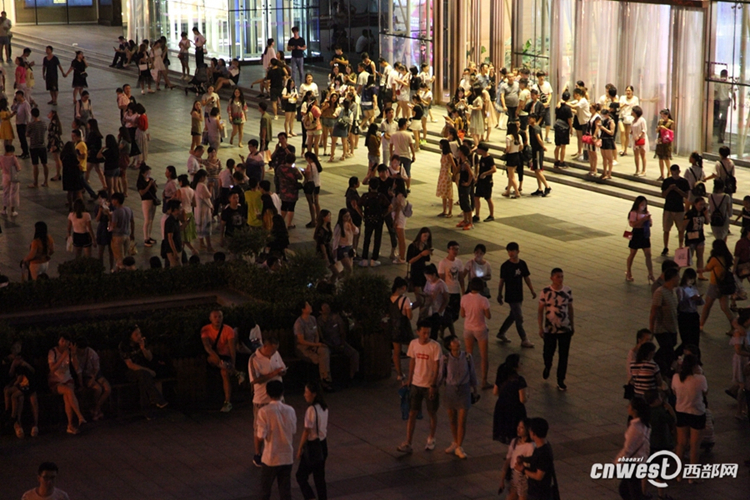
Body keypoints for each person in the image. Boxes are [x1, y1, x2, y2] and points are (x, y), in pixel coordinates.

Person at [397, 319, 443, 454]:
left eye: (428, 333)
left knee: (432, 412)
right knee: (412, 413)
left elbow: (437, 366)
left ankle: (431, 438)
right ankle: (408, 442)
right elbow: (412, 361)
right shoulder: (413, 344)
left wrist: (433, 385)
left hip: (429, 385)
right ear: (418, 332)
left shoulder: (435, 346)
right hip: (416, 384)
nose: (426, 335)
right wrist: (409, 380)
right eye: (423, 333)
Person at [437, 334, 477, 459]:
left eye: (457, 340)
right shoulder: (445, 359)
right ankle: (455, 441)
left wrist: (475, 389)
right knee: (452, 419)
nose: (457, 342)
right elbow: (441, 375)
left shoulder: (467, 357)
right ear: (449, 346)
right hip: (450, 390)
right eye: (454, 341)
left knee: (462, 419)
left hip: (464, 389)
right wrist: (434, 388)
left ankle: (459, 446)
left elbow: (472, 374)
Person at [249, 336, 287, 467]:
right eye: (272, 349)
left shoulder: (276, 354)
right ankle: (258, 454)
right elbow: (255, 380)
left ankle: (274, 451)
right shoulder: (254, 359)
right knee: (259, 428)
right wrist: (273, 373)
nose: (274, 352)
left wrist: (281, 372)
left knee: (278, 425)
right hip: (262, 399)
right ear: (265, 346)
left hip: (277, 398)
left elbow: (281, 367)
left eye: (276, 349)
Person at [256, 380, 297, 500]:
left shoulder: (264, 411)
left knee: (265, 490)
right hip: (287, 455)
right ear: (282, 392)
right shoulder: (290, 410)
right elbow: (293, 430)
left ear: (267, 393)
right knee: (285, 491)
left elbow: (261, 435)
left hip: (271, 457)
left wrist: (258, 449)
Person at [119, 325, 168, 417]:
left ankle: (147, 411)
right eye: (136, 334)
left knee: (143, 380)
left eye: (140, 333)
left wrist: (143, 348)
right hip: (129, 372)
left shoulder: (142, 342)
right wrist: (148, 370)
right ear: (130, 336)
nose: (139, 336)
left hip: (143, 372)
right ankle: (157, 399)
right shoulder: (124, 346)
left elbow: (149, 358)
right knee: (144, 375)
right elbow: (130, 365)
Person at [672, 354, 707, 479]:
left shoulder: (676, 377)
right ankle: (692, 475)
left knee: (681, 443)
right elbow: (705, 392)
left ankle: (678, 473)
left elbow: (674, 391)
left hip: (681, 411)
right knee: (694, 445)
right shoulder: (700, 379)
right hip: (697, 412)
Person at [538, 268, 575, 391]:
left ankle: (561, 380)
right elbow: (540, 310)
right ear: (552, 278)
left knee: (563, 356)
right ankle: (547, 366)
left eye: (562, 277)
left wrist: (572, 324)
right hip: (550, 329)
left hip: (565, 328)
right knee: (548, 352)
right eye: (558, 276)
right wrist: (540, 327)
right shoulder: (545, 291)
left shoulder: (567, 290)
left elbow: (570, 308)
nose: (560, 279)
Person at [497, 242, 537, 347]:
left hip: (519, 294)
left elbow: (526, 277)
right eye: (509, 251)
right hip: (511, 295)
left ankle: (501, 333)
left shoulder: (522, 264)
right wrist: (499, 293)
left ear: (517, 251)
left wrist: (532, 290)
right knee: (519, 317)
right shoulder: (505, 266)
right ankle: (524, 339)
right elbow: (502, 280)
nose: (510, 253)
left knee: (513, 315)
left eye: (512, 251)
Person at [295, 382, 329, 500]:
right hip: (323, 445)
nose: (304, 395)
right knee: (319, 478)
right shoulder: (324, 407)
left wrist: (300, 448)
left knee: (300, 476)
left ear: (314, 394)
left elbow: (307, 430)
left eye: (306, 392)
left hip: (313, 447)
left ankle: (310, 497)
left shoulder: (311, 410)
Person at [48, 334, 86, 434]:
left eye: (66, 341)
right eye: (62, 340)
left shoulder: (69, 352)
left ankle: (70, 425)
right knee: (68, 391)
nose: (64, 343)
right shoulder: (52, 352)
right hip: (56, 381)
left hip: (67, 379)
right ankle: (80, 417)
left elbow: (77, 368)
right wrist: (62, 357)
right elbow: (52, 369)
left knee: (67, 396)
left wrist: (73, 354)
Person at [616, 397, 651, 500]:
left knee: (630, 491)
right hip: (639, 461)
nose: (627, 408)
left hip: (633, 463)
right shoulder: (645, 424)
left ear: (635, 410)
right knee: (627, 489)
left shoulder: (635, 428)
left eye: (629, 406)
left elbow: (628, 449)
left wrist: (618, 462)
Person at [699, 239, 736, 334]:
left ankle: (701, 325)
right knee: (725, 308)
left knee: (707, 306)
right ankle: (735, 326)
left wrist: (700, 270)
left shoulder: (715, 259)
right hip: (725, 285)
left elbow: (707, 268)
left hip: (715, 285)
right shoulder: (727, 257)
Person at [460, 277, 492, 389]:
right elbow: (488, 316)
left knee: (469, 355)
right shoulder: (484, 300)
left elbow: (462, 314)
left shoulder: (464, 298)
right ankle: (484, 381)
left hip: (468, 328)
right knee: (484, 356)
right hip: (480, 328)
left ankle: (468, 379)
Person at [4, 339, 39, 438]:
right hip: (19, 384)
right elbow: (10, 375)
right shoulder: (11, 360)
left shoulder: (25, 357)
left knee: (33, 399)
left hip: (28, 383)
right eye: (15, 348)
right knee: (15, 396)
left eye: (18, 347)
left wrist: (25, 364)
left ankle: (35, 424)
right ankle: (16, 422)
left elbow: (33, 371)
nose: (17, 350)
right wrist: (13, 365)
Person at [295, 300, 333, 391]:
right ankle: (324, 381)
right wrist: (315, 344)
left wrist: (316, 345)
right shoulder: (299, 323)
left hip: (314, 345)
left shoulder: (313, 319)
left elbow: (316, 334)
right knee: (319, 359)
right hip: (303, 348)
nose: (310, 306)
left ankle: (325, 377)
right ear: (303, 309)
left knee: (324, 350)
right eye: (308, 305)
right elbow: (301, 341)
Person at [649, 267, 680, 375]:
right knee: (668, 349)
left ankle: (659, 366)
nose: (679, 279)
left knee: (669, 348)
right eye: (677, 277)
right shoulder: (660, 292)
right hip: (662, 328)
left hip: (671, 327)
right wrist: (651, 330)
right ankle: (664, 369)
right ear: (672, 278)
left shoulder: (673, 292)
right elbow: (653, 311)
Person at [516, 418, 556, 500]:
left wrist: (523, 470)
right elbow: (536, 460)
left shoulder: (543, 453)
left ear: (533, 433)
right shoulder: (543, 446)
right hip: (537, 492)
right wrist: (524, 459)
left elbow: (539, 476)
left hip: (540, 494)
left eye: (530, 430)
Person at [492, 354, 528, 446]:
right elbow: (522, 399)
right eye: (520, 362)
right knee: (516, 433)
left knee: (506, 431)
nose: (522, 364)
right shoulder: (519, 380)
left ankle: (510, 453)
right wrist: (527, 396)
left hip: (501, 407)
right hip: (515, 409)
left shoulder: (501, 375)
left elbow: (495, 392)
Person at [74, 336, 111, 421]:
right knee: (98, 389)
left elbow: (96, 368)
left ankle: (96, 409)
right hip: (85, 376)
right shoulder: (74, 355)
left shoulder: (91, 353)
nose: (82, 351)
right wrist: (81, 384)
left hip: (94, 374)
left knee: (107, 389)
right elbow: (78, 371)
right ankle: (97, 410)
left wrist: (93, 379)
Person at [498, 418, 534, 500]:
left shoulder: (530, 446)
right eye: (518, 426)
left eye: (521, 427)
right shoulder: (514, 441)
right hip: (514, 477)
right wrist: (502, 480)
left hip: (524, 479)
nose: (518, 429)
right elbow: (508, 460)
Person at [659, 164, 690, 256]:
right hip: (668, 208)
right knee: (666, 229)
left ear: (679, 172)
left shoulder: (684, 182)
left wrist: (677, 189)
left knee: (681, 229)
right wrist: (669, 188)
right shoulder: (667, 181)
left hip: (679, 209)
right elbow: (663, 195)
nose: (675, 174)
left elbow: (686, 195)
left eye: (676, 172)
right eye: (673, 172)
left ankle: (680, 245)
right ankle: (665, 247)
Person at [359, 178, 390, 267]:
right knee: (377, 239)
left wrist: (362, 215)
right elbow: (390, 207)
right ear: (378, 186)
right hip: (379, 220)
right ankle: (374, 259)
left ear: (369, 186)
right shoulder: (381, 196)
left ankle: (364, 258)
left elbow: (357, 205)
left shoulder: (365, 196)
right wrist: (384, 215)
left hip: (368, 219)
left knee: (367, 238)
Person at [625, 196, 654, 283]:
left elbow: (650, 224)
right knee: (632, 253)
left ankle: (650, 273)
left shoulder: (646, 213)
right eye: (642, 204)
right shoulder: (633, 213)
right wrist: (643, 220)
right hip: (636, 233)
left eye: (645, 204)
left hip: (644, 234)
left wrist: (648, 221)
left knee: (648, 254)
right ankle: (629, 272)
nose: (643, 206)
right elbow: (633, 224)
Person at [439, 240, 465, 337]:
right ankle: (452, 334)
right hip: (448, 291)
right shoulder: (443, 262)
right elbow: (441, 278)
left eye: (457, 249)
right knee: (449, 315)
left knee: (455, 315)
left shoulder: (459, 262)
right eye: (453, 249)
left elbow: (461, 277)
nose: (455, 251)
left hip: (456, 291)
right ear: (448, 250)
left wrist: (463, 290)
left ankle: (442, 327)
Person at [108, 192, 134, 269]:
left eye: (113, 199)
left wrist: (109, 225)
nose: (112, 201)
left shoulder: (116, 212)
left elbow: (114, 225)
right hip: (127, 235)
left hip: (117, 236)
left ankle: (120, 273)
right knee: (124, 256)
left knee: (119, 259)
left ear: (117, 200)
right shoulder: (128, 209)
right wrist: (132, 233)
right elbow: (132, 222)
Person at [684, 197, 709, 280]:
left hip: (700, 237)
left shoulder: (702, 213)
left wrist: (706, 214)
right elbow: (684, 226)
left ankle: (700, 273)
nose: (702, 206)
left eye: (703, 204)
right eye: (700, 204)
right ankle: (684, 273)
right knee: (688, 257)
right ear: (695, 204)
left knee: (700, 256)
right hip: (691, 238)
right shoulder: (690, 213)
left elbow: (707, 222)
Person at [0, 144, 20, 216]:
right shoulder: (13, 158)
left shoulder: (1, 157)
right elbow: (18, 168)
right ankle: (12, 211)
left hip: (5, 176)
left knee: (5, 192)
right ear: (12, 151)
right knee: (14, 193)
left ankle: (4, 209)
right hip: (13, 176)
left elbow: (1, 166)